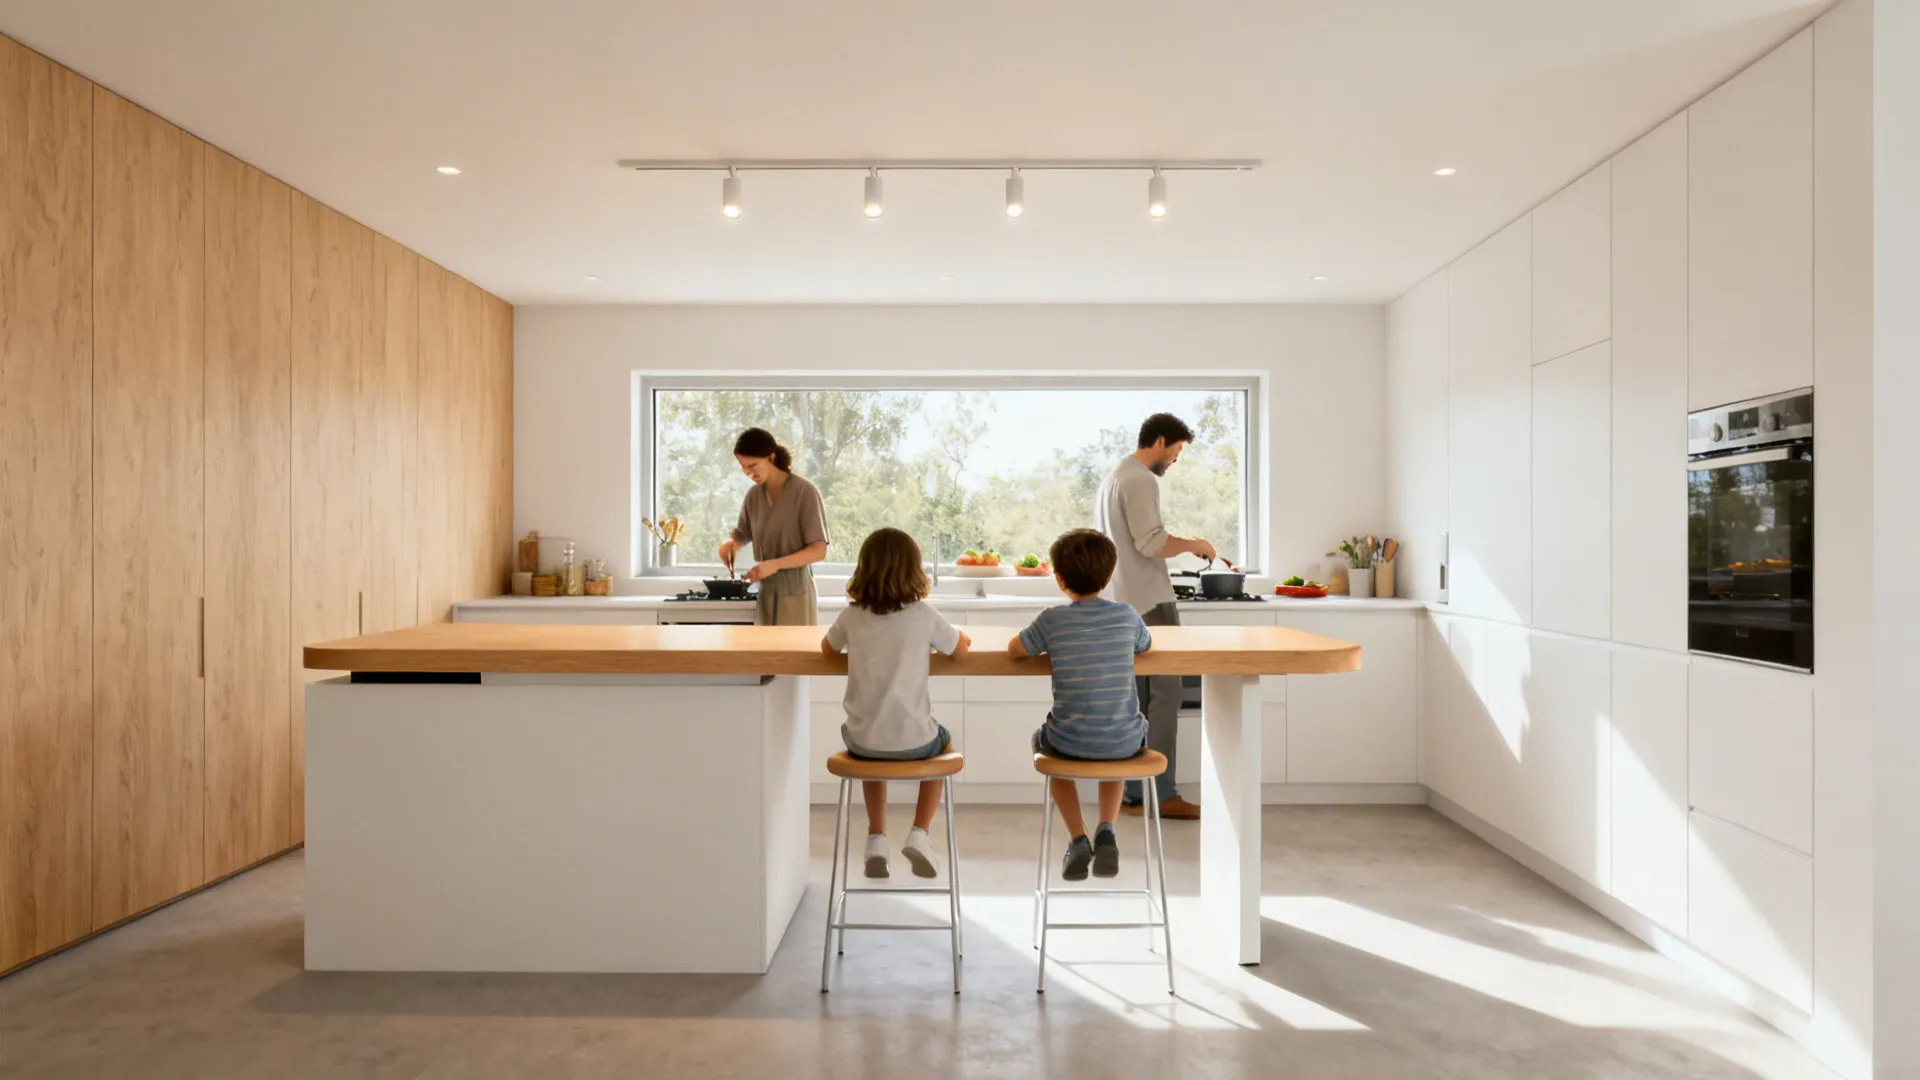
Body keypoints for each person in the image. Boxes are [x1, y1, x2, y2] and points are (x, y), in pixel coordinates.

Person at [821, 528, 972, 878]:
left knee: (873, 746)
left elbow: (827, 650)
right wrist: (959, 635)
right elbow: (959, 650)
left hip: (861, 744)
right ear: (913, 570)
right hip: (915, 744)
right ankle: (919, 833)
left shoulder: (853, 615)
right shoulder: (922, 615)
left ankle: (876, 837)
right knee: (945, 742)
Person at [1008, 529, 1153, 882]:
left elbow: (1016, 649)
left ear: (1059, 579)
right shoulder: (1125, 614)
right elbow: (1145, 645)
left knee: (1047, 750)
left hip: (1068, 743)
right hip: (1124, 743)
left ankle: (1077, 838)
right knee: (1116, 746)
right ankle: (1107, 828)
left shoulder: (1052, 619)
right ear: (1108, 576)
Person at [1093, 412, 1214, 821]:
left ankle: (1132, 792)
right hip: (1149, 602)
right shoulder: (1140, 479)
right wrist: (1194, 543)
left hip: (1122, 601)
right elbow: (1151, 543)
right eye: (1176, 450)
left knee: (1139, 699)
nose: (1175, 460)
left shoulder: (1113, 477)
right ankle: (1162, 794)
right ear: (1160, 441)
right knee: (1167, 694)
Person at [717, 428, 830, 626]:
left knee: (793, 655)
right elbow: (744, 533)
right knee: (765, 656)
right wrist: (732, 544)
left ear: (771, 457)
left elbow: (818, 550)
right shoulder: (753, 496)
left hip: (797, 592)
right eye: (744, 467)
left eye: (753, 465)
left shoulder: (805, 492)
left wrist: (774, 564)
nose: (749, 473)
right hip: (766, 591)